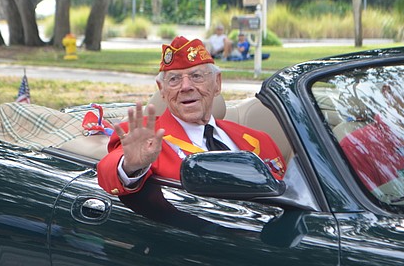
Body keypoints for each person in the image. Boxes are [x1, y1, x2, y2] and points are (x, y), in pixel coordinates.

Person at [97, 36, 286, 196]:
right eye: (174, 79)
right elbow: (108, 172)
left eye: (196, 76)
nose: (186, 87)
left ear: (217, 84)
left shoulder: (259, 139)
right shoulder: (146, 136)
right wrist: (130, 166)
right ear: (162, 90)